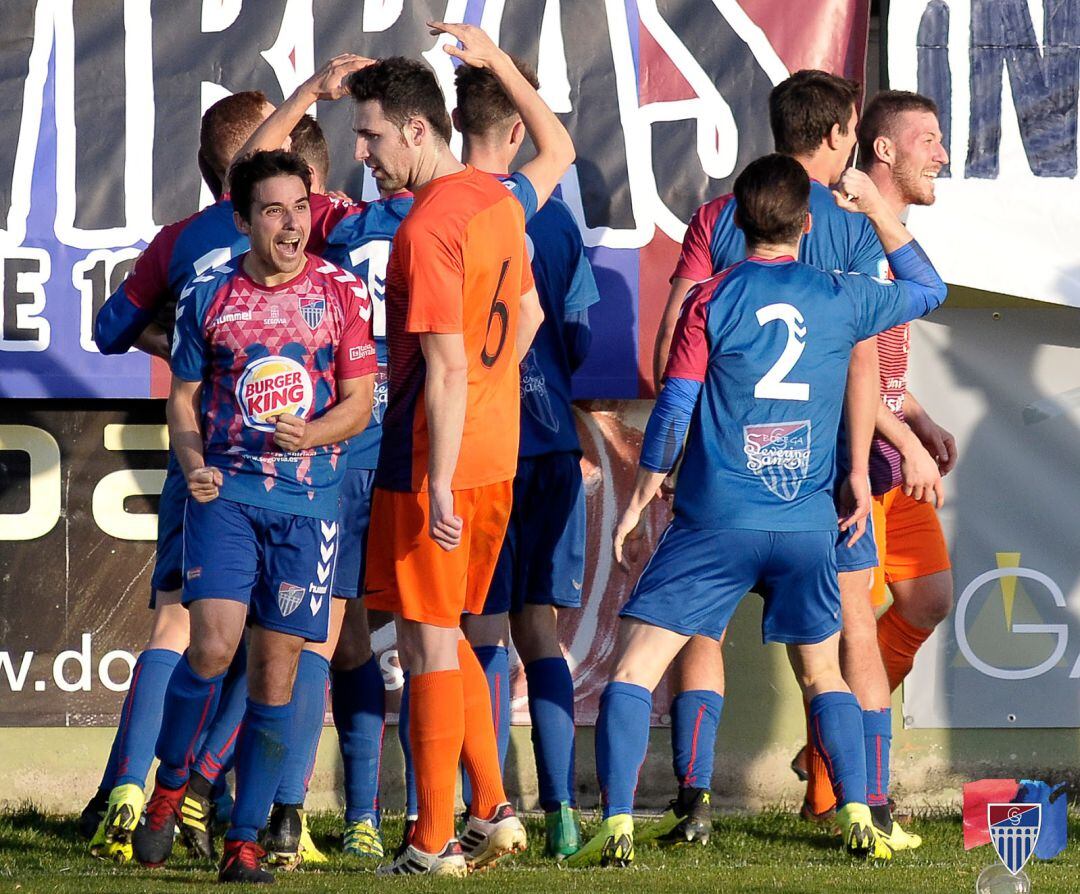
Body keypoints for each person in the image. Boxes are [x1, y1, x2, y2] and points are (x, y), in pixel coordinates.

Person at [568, 153, 947, 868]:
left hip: (716, 520)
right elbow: (930, 287)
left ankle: (616, 825)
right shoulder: (841, 293)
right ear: (808, 224)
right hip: (807, 524)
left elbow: (676, 406)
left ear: (736, 225)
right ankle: (859, 812)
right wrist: (875, 212)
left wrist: (646, 489)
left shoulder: (711, 299)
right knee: (823, 674)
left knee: (633, 671)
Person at [647, 70, 904, 846]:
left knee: (699, 628)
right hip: (815, 477)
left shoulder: (719, 216)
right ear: (837, 135)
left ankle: (692, 804)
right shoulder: (857, 227)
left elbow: (671, 340)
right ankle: (870, 806)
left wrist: (676, 444)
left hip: (723, 466)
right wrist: (856, 468)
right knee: (839, 636)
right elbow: (862, 360)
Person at [348, 28, 565, 875]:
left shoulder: (428, 229)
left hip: (431, 459)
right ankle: (490, 810)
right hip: (497, 454)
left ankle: (431, 840)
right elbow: (531, 316)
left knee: (430, 640)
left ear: (415, 129)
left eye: (369, 134)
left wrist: (434, 480)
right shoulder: (499, 200)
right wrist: (499, 63)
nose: (360, 151)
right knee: (454, 632)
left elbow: (441, 365)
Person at [131, 149, 377, 885]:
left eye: (300, 207)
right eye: (273, 210)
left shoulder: (341, 292)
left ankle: (243, 840)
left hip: (308, 506)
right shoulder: (208, 292)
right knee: (210, 646)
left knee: (277, 675)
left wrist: (319, 432)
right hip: (227, 495)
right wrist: (193, 457)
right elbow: (182, 397)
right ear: (242, 220)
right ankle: (169, 785)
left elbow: (361, 402)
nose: (293, 223)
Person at [85, 90, 274, 864]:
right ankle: (210, 795)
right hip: (269, 461)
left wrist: (180, 344)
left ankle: (130, 790)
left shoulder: (178, 240)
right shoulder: (297, 230)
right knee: (266, 634)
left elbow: (108, 330)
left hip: (192, 451)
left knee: (178, 621)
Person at [452, 58, 598, 859]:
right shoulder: (552, 221)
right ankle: (562, 812)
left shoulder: (438, 209)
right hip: (547, 440)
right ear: (520, 129)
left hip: (482, 443)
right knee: (538, 627)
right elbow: (579, 334)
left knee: (474, 629)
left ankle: (481, 801)